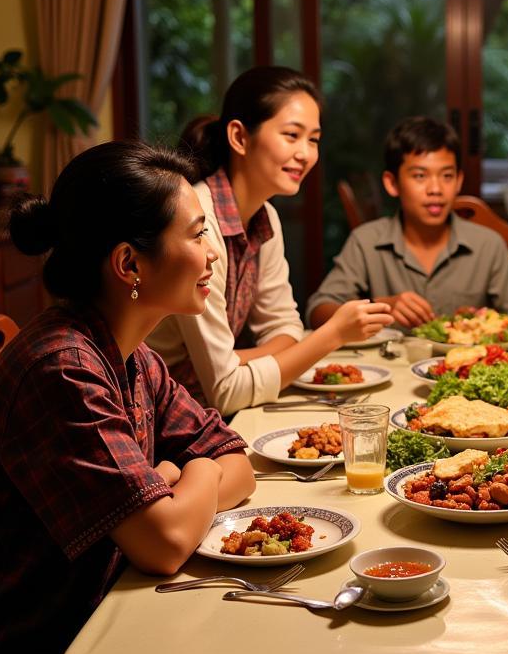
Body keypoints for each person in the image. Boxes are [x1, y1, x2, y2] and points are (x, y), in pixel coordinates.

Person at [0, 141, 257, 654]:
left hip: (102, 623)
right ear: (129, 264)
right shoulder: (63, 368)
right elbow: (164, 542)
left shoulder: (132, 357)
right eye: (198, 234)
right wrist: (187, 474)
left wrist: (176, 479)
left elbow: (239, 459)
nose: (214, 254)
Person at [149, 67, 392, 415]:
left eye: (314, 139)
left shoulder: (266, 218)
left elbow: (285, 327)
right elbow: (226, 391)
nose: (305, 153)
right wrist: (331, 335)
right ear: (240, 137)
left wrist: (236, 360)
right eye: (292, 135)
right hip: (162, 412)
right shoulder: (197, 221)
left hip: (208, 406)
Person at [306, 115, 508, 330]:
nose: (435, 189)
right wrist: (381, 307)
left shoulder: (488, 245)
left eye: (446, 176)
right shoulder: (366, 242)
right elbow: (318, 312)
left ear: (459, 181)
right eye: (420, 176)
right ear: (392, 183)